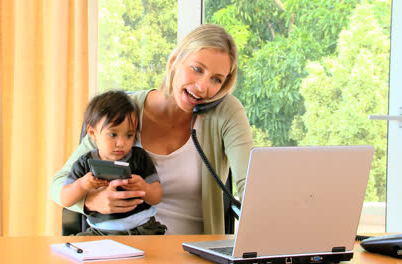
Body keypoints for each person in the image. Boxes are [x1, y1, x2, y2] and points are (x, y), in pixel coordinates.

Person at [50, 24, 254, 234]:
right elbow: (58, 185)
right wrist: (89, 202)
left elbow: (252, 186)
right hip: (120, 250)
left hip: (190, 252)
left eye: (216, 79)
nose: (203, 87)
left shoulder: (226, 112)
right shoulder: (123, 111)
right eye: (197, 69)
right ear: (175, 61)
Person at [60, 90, 167, 235]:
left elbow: (156, 196)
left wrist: (145, 188)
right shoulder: (85, 163)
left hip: (141, 229)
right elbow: (65, 199)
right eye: (113, 134)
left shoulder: (139, 157)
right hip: (99, 232)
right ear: (92, 133)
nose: (121, 143)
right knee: (72, 248)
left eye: (129, 135)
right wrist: (82, 185)